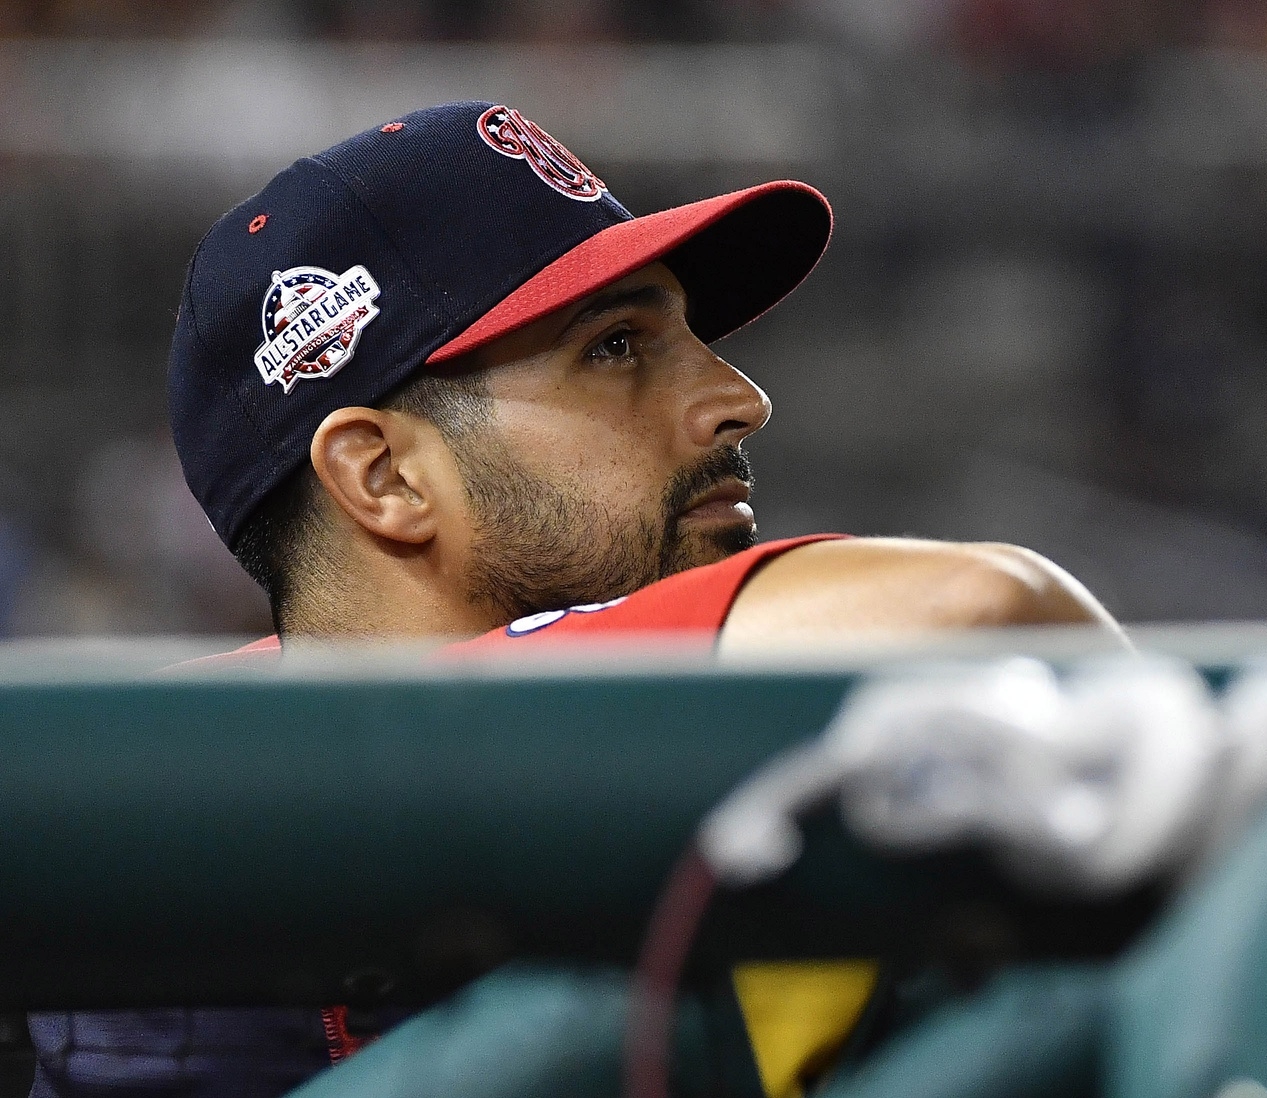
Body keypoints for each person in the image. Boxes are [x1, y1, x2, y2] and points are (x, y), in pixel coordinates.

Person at [28, 102, 1124, 1098]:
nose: (738, 398)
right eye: (614, 348)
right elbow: (974, 610)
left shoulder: (145, 759)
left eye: (694, 338)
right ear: (386, 477)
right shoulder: (237, 768)